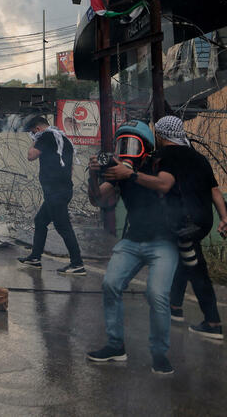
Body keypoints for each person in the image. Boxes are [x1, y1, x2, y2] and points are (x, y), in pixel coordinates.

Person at [86, 120, 178, 375]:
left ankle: (159, 353)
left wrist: (131, 175)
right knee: (110, 284)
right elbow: (97, 199)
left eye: (132, 144)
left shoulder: (159, 164)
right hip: (133, 239)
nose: (126, 151)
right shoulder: (121, 172)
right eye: (122, 144)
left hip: (164, 242)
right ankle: (115, 345)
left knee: (157, 294)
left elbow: (164, 185)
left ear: (146, 147)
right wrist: (94, 174)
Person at [151, 115, 227, 341]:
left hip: (184, 224)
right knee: (184, 260)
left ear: (160, 134)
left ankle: (212, 323)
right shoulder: (198, 157)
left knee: (196, 269)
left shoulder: (162, 158)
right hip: (202, 222)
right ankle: (174, 307)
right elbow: (215, 191)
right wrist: (224, 217)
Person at [16, 116, 86, 275]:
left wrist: (35, 140)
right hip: (62, 189)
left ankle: (77, 264)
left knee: (63, 226)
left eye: (33, 132)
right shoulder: (62, 138)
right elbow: (70, 167)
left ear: (38, 129)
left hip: (55, 192)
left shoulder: (46, 136)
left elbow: (31, 155)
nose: (33, 135)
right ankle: (35, 258)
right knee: (40, 221)